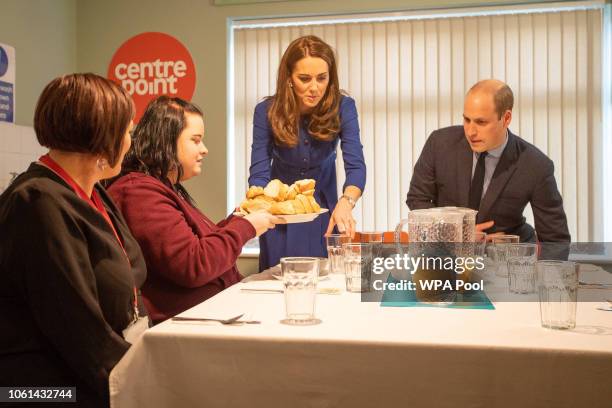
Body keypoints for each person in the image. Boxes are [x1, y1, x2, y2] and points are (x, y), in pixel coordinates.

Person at [0, 73, 147, 406]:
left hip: (92, 369)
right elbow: (76, 329)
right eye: (127, 131)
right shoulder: (37, 202)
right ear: (101, 133)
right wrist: (143, 380)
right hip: (40, 391)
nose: (130, 142)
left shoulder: (93, 193)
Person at [108, 96, 280, 324]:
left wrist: (236, 221)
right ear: (165, 140)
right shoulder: (139, 192)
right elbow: (194, 264)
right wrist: (246, 226)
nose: (204, 149)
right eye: (196, 140)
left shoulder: (162, 186)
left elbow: (200, 244)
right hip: (183, 329)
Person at [249, 35, 367, 271]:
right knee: (278, 283)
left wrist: (347, 201)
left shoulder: (343, 107)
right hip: (279, 217)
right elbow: (259, 173)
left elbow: (356, 166)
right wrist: (256, 207)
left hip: (322, 213)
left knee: (324, 282)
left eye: (322, 78)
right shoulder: (266, 111)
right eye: (304, 79)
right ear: (289, 78)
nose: (314, 87)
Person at [407, 79, 570, 243]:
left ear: (506, 118)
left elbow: (555, 239)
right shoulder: (439, 144)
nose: (470, 132)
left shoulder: (535, 165)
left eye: (481, 122)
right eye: (466, 120)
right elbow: (417, 199)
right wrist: (457, 233)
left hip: (505, 257)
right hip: (446, 255)